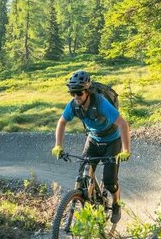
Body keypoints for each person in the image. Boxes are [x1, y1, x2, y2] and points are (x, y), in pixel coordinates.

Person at [51, 70, 131, 224]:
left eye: (79, 93)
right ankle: (90, 198)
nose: (76, 96)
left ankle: (116, 204)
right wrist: (58, 145)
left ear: (87, 91)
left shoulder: (101, 103)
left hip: (112, 141)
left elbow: (122, 124)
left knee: (109, 181)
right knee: (83, 175)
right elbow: (61, 122)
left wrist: (126, 150)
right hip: (93, 140)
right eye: (72, 93)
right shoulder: (73, 105)